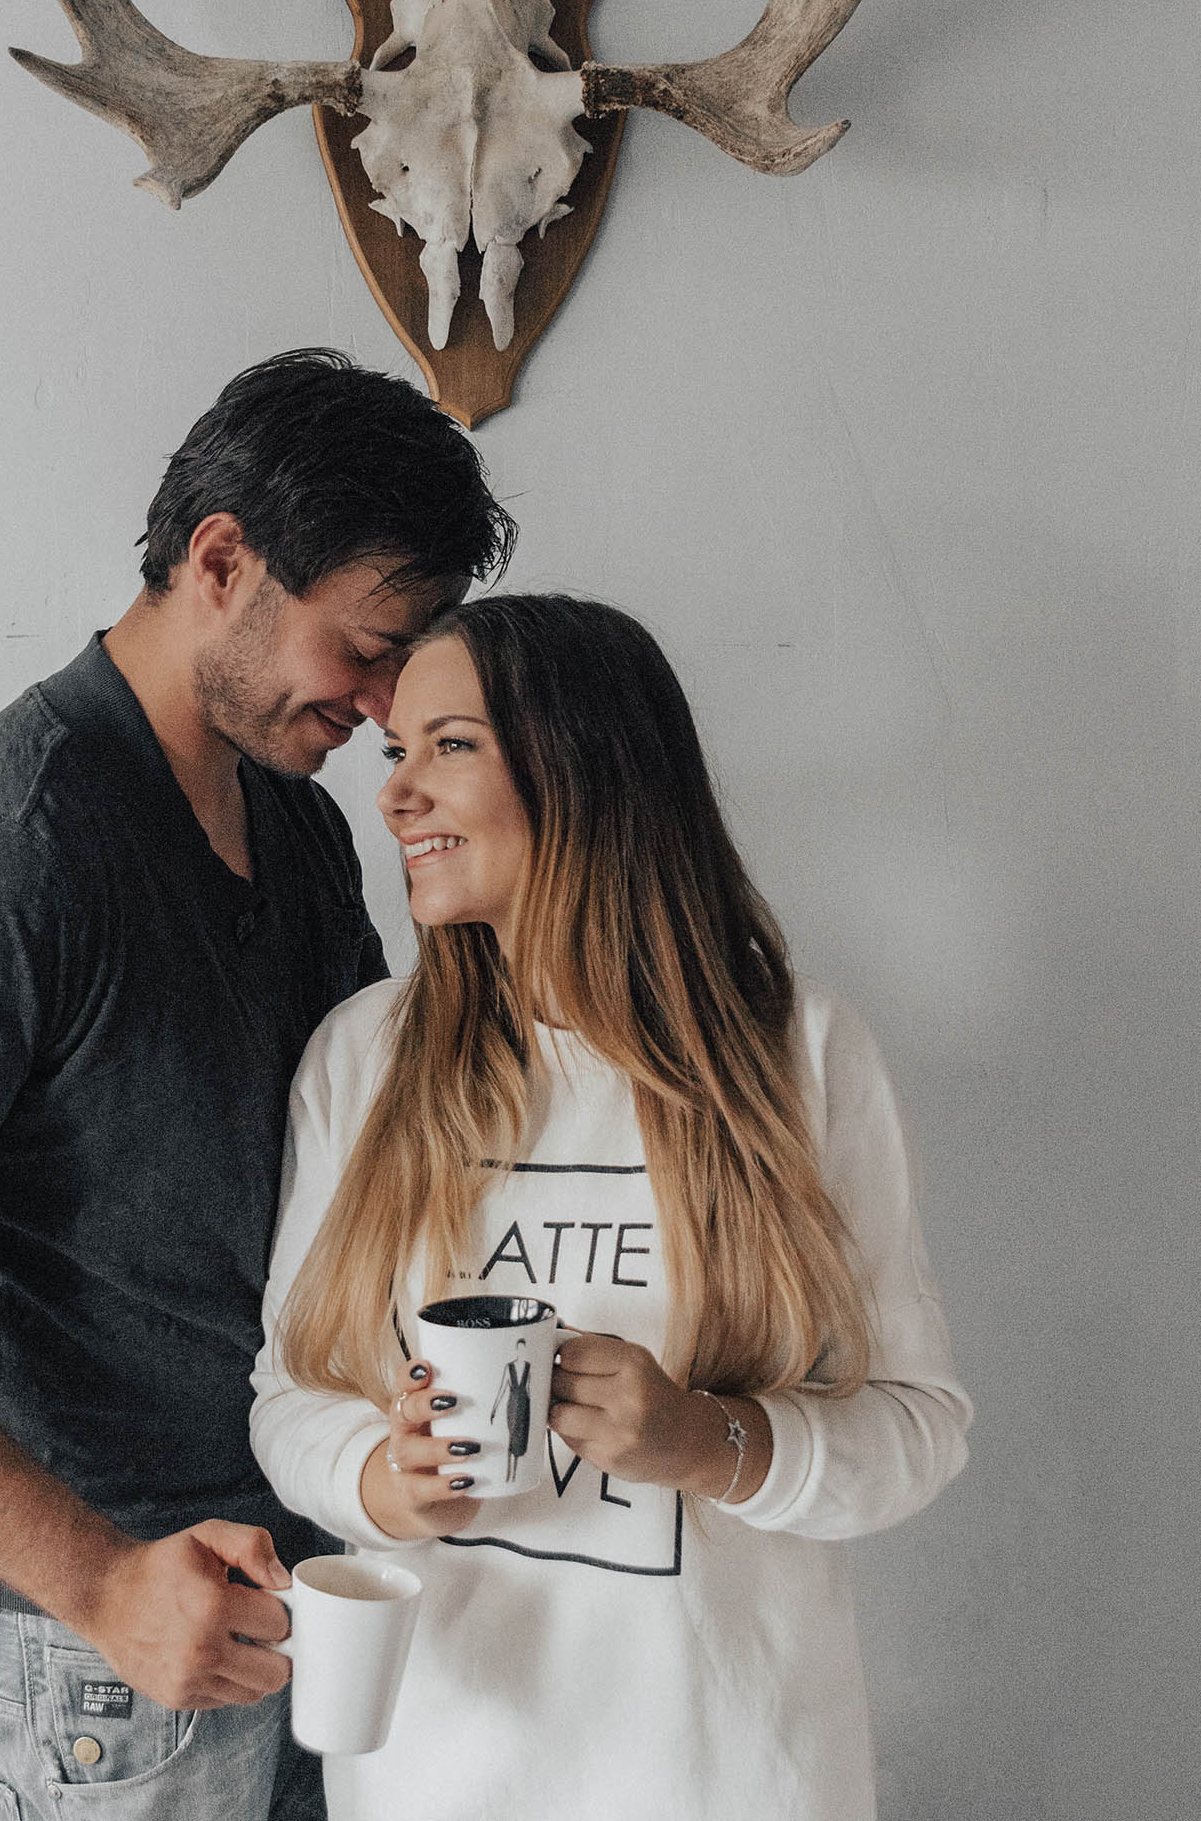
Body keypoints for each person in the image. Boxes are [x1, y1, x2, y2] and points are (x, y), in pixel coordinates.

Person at [0, 350, 514, 1821]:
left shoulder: (290, 819)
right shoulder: (11, 843)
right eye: (365, 643)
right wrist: (100, 1581)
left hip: (317, 1580)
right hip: (115, 1661)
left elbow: (362, 1152)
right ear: (222, 560)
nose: (384, 696)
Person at [251, 593, 972, 1821]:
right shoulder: (362, 1059)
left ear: (584, 766)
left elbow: (917, 1433)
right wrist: (384, 1480)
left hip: (730, 1779)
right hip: (436, 1775)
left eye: (450, 745)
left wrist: (705, 1440)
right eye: (394, 752)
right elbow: (288, 1396)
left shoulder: (796, 1057)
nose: (395, 794)